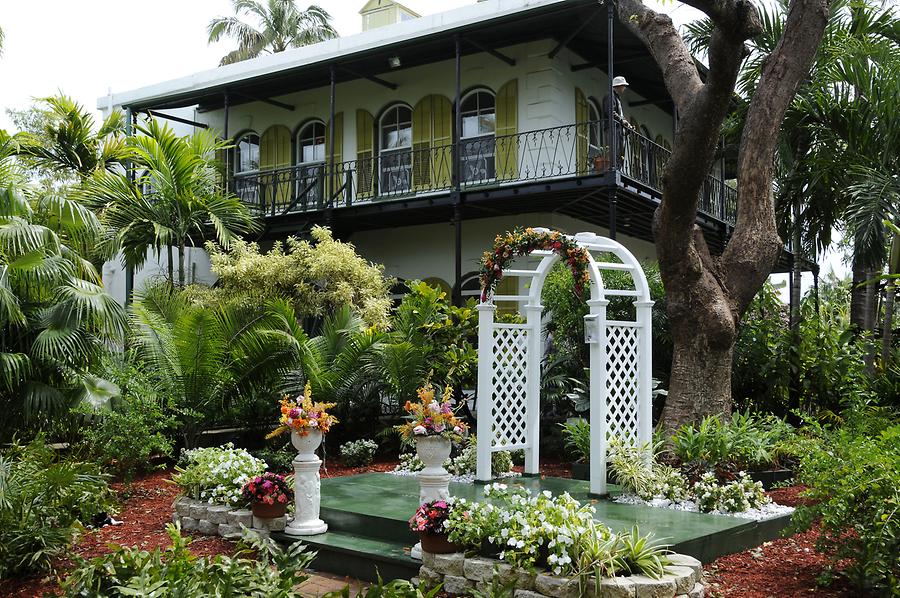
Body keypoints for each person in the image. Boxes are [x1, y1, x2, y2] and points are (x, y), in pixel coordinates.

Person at [602, 76, 635, 163]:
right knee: (613, 150)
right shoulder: (610, 95)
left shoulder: (616, 97)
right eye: (624, 85)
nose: (625, 88)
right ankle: (613, 166)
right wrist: (621, 120)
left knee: (619, 151)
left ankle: (618, 167)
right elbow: (610, 112)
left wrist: (627, 124)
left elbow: (619, 114)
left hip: (618, 129)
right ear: (619, 86)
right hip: (612, 128)